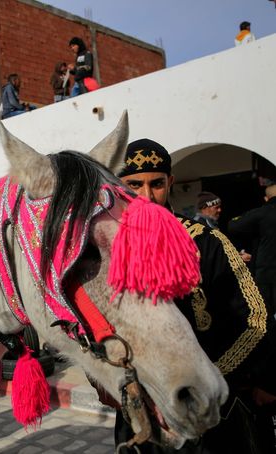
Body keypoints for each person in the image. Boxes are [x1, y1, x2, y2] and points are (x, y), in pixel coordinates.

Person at [112, 138, 276, 454]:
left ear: (170, 182)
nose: (146, 196)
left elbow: (254, 317)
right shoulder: (107, 248)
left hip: (211, 404)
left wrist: (211, 378)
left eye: (156, 184)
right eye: (134, 185)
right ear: (118, 186)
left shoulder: (206, 242)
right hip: (141, 409)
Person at [229, 184, 276, 320]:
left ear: (266, 199)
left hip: (267, 273)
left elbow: (233, 226)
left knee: (267, 314)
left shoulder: (262, 213)